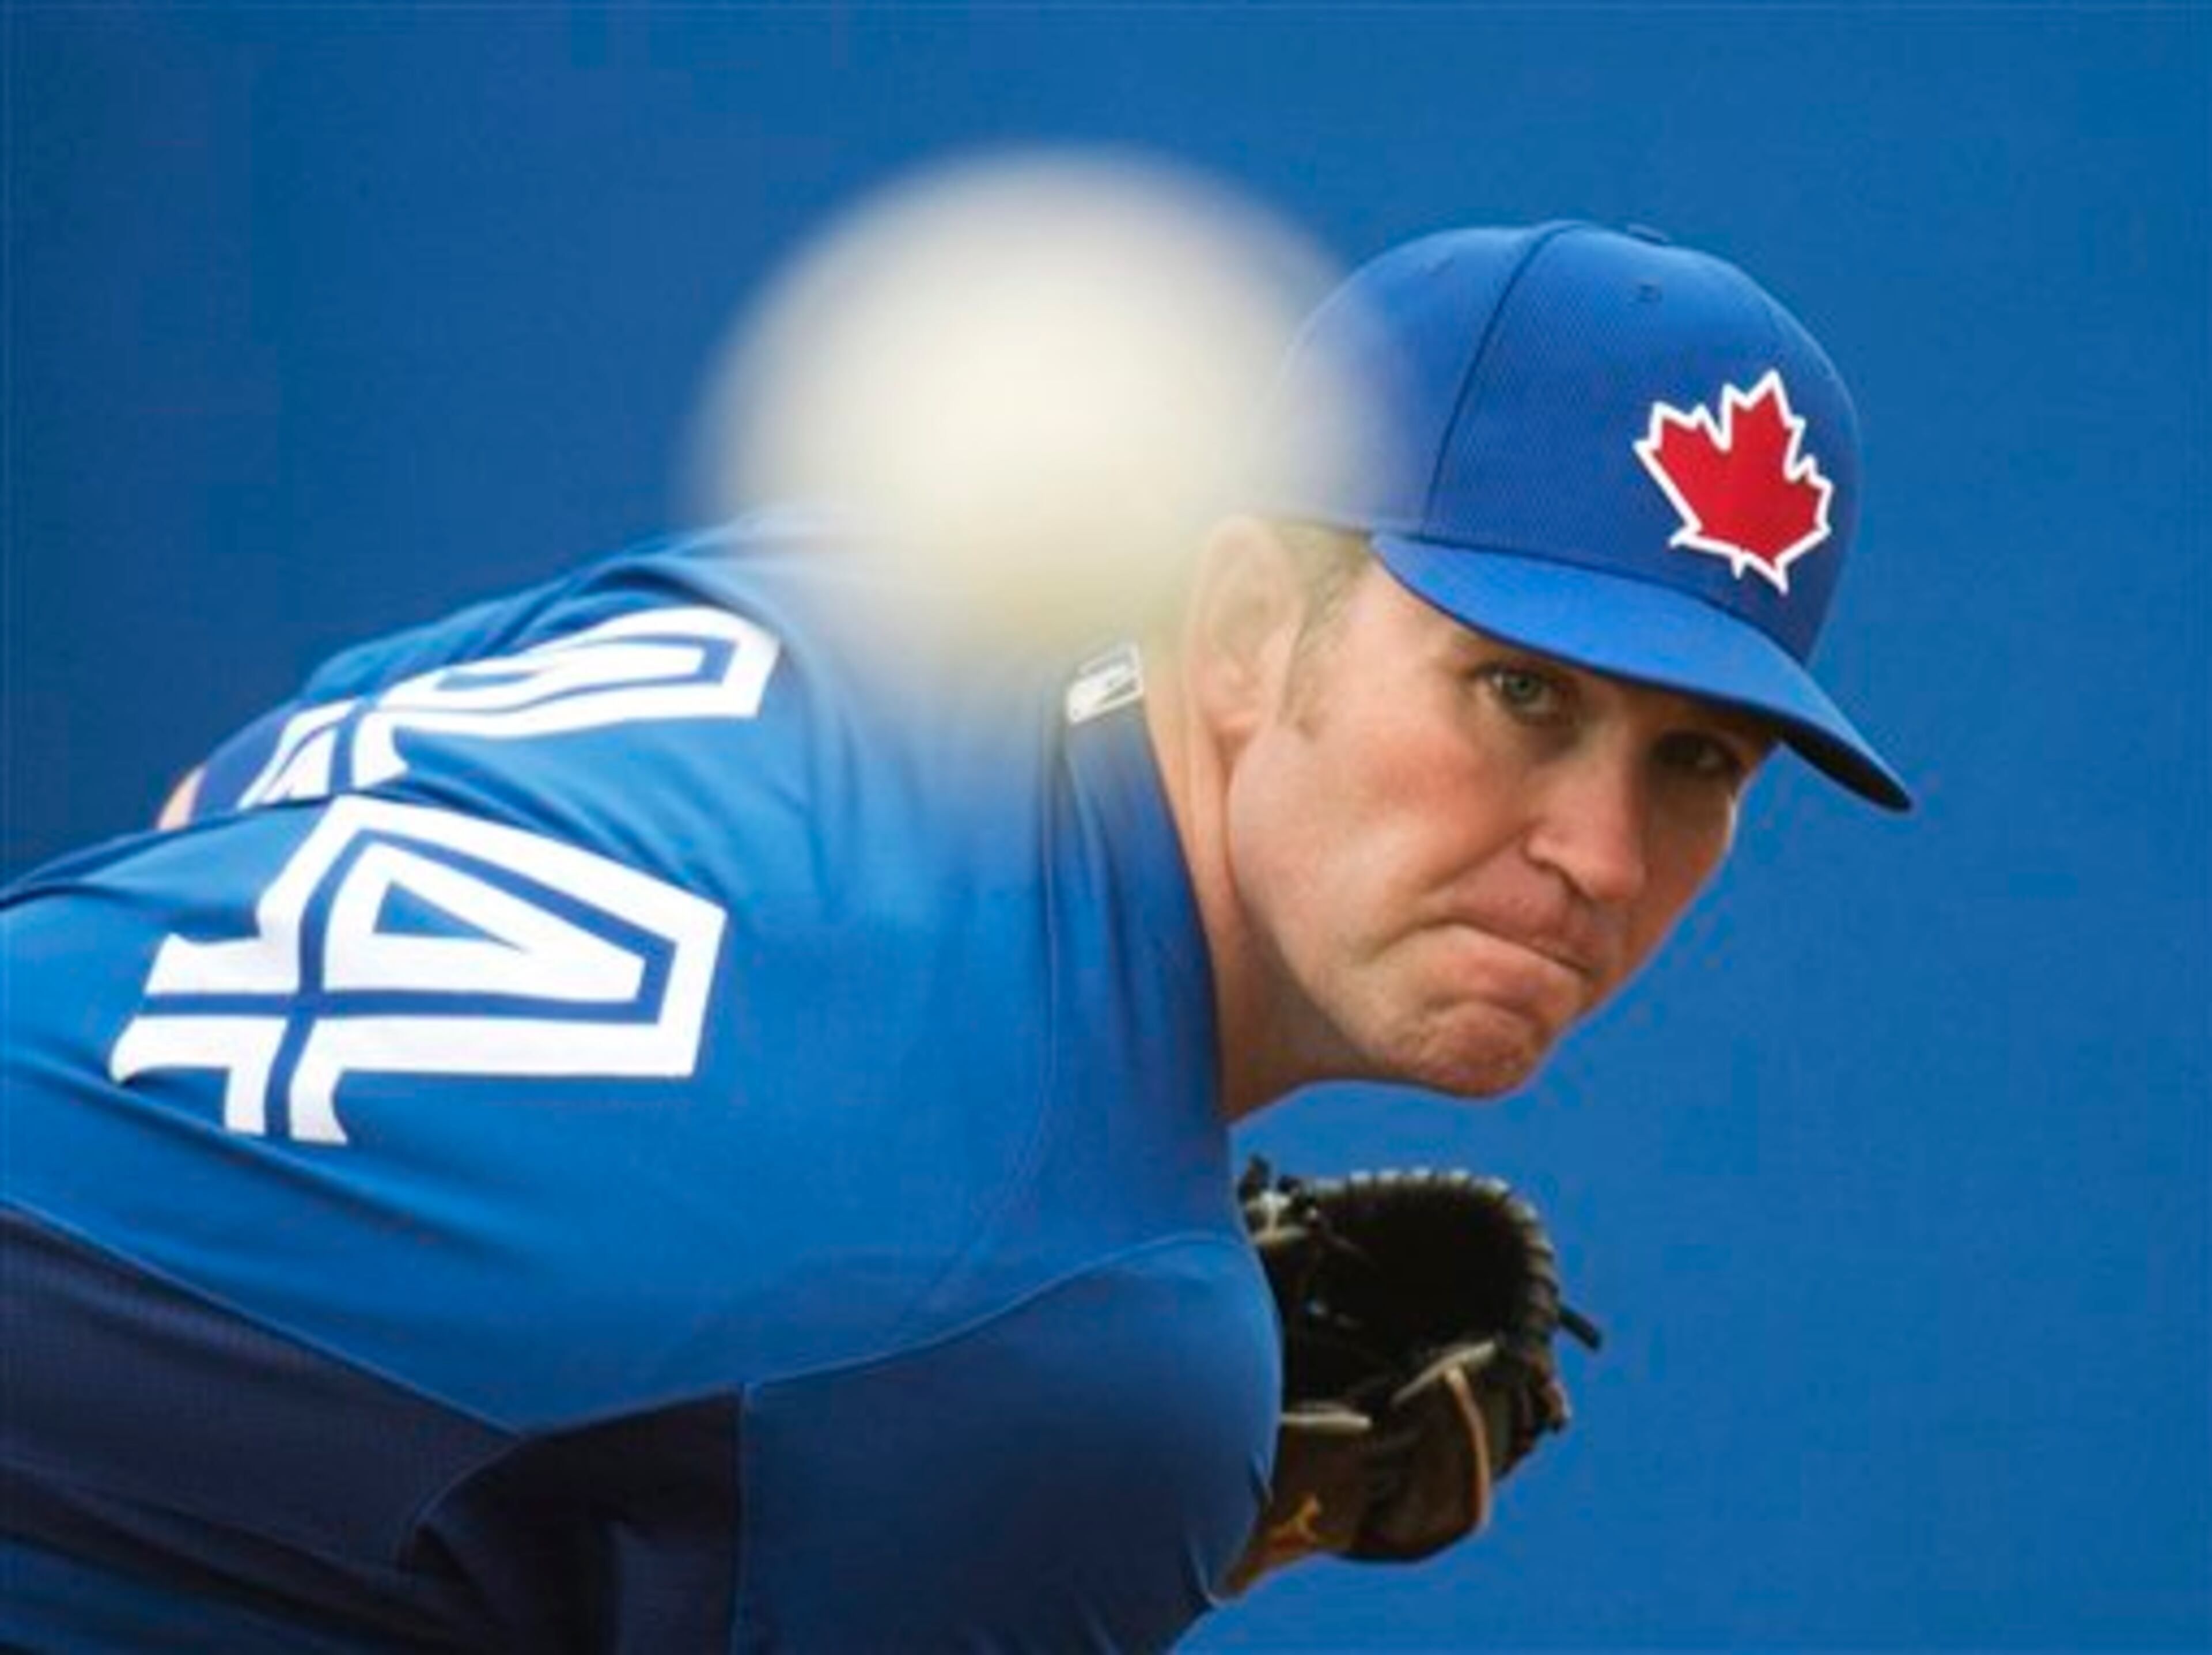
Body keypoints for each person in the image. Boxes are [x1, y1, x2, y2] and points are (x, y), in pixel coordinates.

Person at [0, 221, 1907, 1652]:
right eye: (1516, 692)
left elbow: (270, 791)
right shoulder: (1072, 1344)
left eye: (1697, 756)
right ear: (1251, 623)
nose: (1597, 846)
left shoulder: (853, 591)